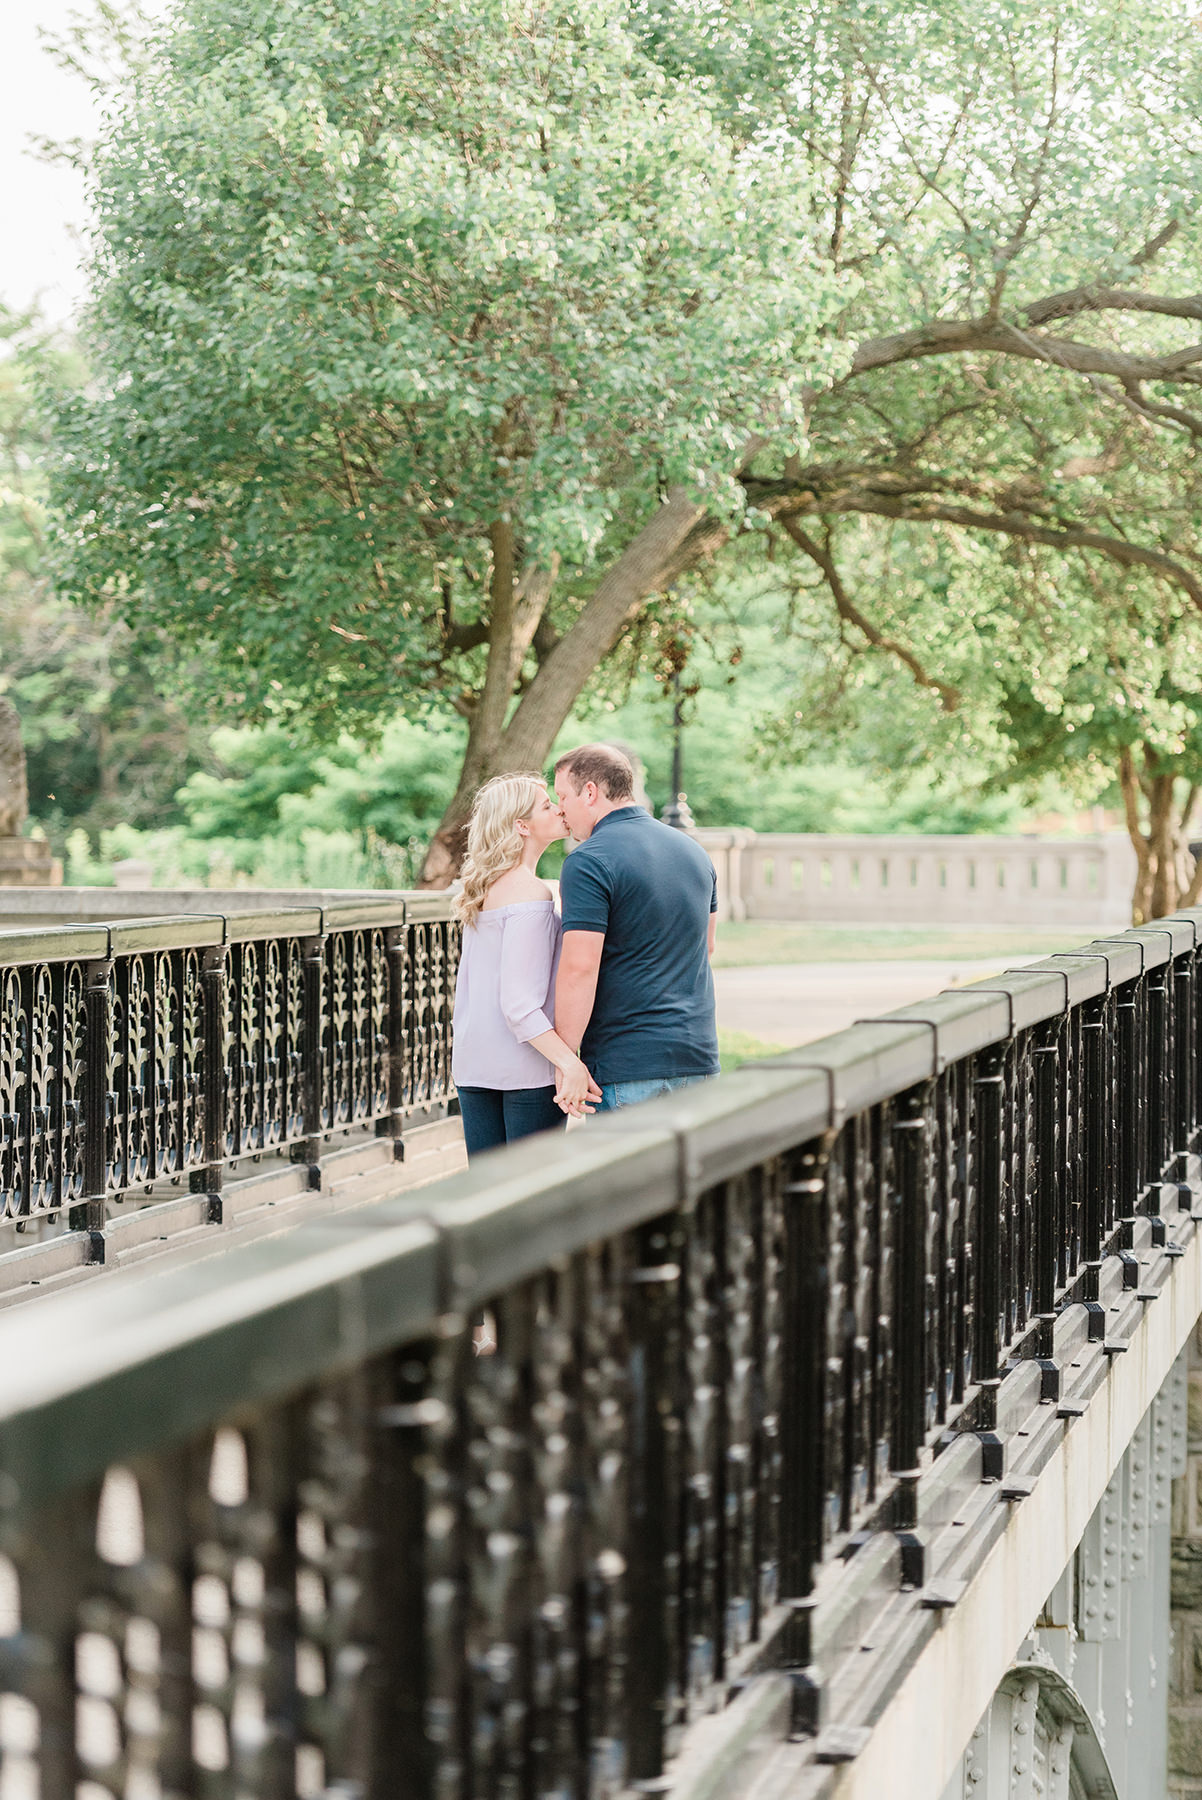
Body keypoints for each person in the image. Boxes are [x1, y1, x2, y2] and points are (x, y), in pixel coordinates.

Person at [553, 743, 720, 1111]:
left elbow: (580, 968)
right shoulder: (694, 852)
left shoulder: (588, 861)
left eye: (563, 795)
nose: (560, 809)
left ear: (591, 792)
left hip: (626, 1063)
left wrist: (565, 1060)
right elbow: (706, 948)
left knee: (627, 1172)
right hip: (698, 1057)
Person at [451, 772, 601, 1158]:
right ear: (521, 826)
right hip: (525, 1072)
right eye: (547, 806)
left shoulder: (483, 889)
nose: (559, 809)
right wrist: (570, 1064)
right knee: (531, 1200)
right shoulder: (530, 895)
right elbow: (519, 1005)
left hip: (474, 1067)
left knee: (489, 1196)